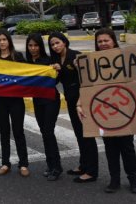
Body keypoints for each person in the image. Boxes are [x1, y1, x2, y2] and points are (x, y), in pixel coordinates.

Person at [80, 28, 136, 194]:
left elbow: (133, 79)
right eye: (99, 41)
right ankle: (114, 179)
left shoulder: (123, 58)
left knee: (127, 147)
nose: (102, 44)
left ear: (113, 41)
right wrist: (79, 104)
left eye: (106, 40)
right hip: (104, 111)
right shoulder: (92, 62)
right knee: (110, 148)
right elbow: (87, 87)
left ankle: (133, 179)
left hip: (124, 109)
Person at [48, 31, 98, 184]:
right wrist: (53, 72)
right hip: (70, 100)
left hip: (82, 99)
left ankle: (92, 171)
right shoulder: (56, 59)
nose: (55, 46)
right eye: (52, 44)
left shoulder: (76, 56)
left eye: (57, 43)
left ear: (64, 42)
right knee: (79, 134)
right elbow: (55, 82)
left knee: (87, 135)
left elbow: (89, 78)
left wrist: (78, 67)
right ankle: (83, 165)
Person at [0, 29, 30, 177]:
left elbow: (28, 73)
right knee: (4, 132)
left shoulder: (17, 56)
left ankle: (23, 164)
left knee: (19, 131)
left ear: (9, 41)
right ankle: (5, 163)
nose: (2, 42)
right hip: (0, 101)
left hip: (16, 101)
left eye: (4, 39)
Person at [25, 33, 62, 181]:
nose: (33, 48)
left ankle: (57, 167)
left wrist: (57, 69)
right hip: (37, 101)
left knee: (48, 132)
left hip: (51, 100)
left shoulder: (48, 61)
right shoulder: (26, 62)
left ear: (40, 46)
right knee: (44, 132)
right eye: (30, 45)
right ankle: (50, 164)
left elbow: (56, 80)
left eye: (36, 45)